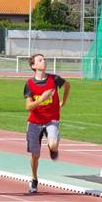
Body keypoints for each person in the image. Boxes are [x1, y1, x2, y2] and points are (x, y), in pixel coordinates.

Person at [23, 53, 70, 194]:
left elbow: (68, 85)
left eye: (44, 59)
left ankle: (52, 147)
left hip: (52, 119)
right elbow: (28, 107)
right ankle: (34, 178)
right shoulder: (29, 84)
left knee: (54, 144)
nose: (44, 61)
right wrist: (42, 99)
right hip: (35, 121)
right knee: (35, 155)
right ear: (34, 66)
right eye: (40, 60)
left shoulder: (54, 79)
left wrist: (64, 101)